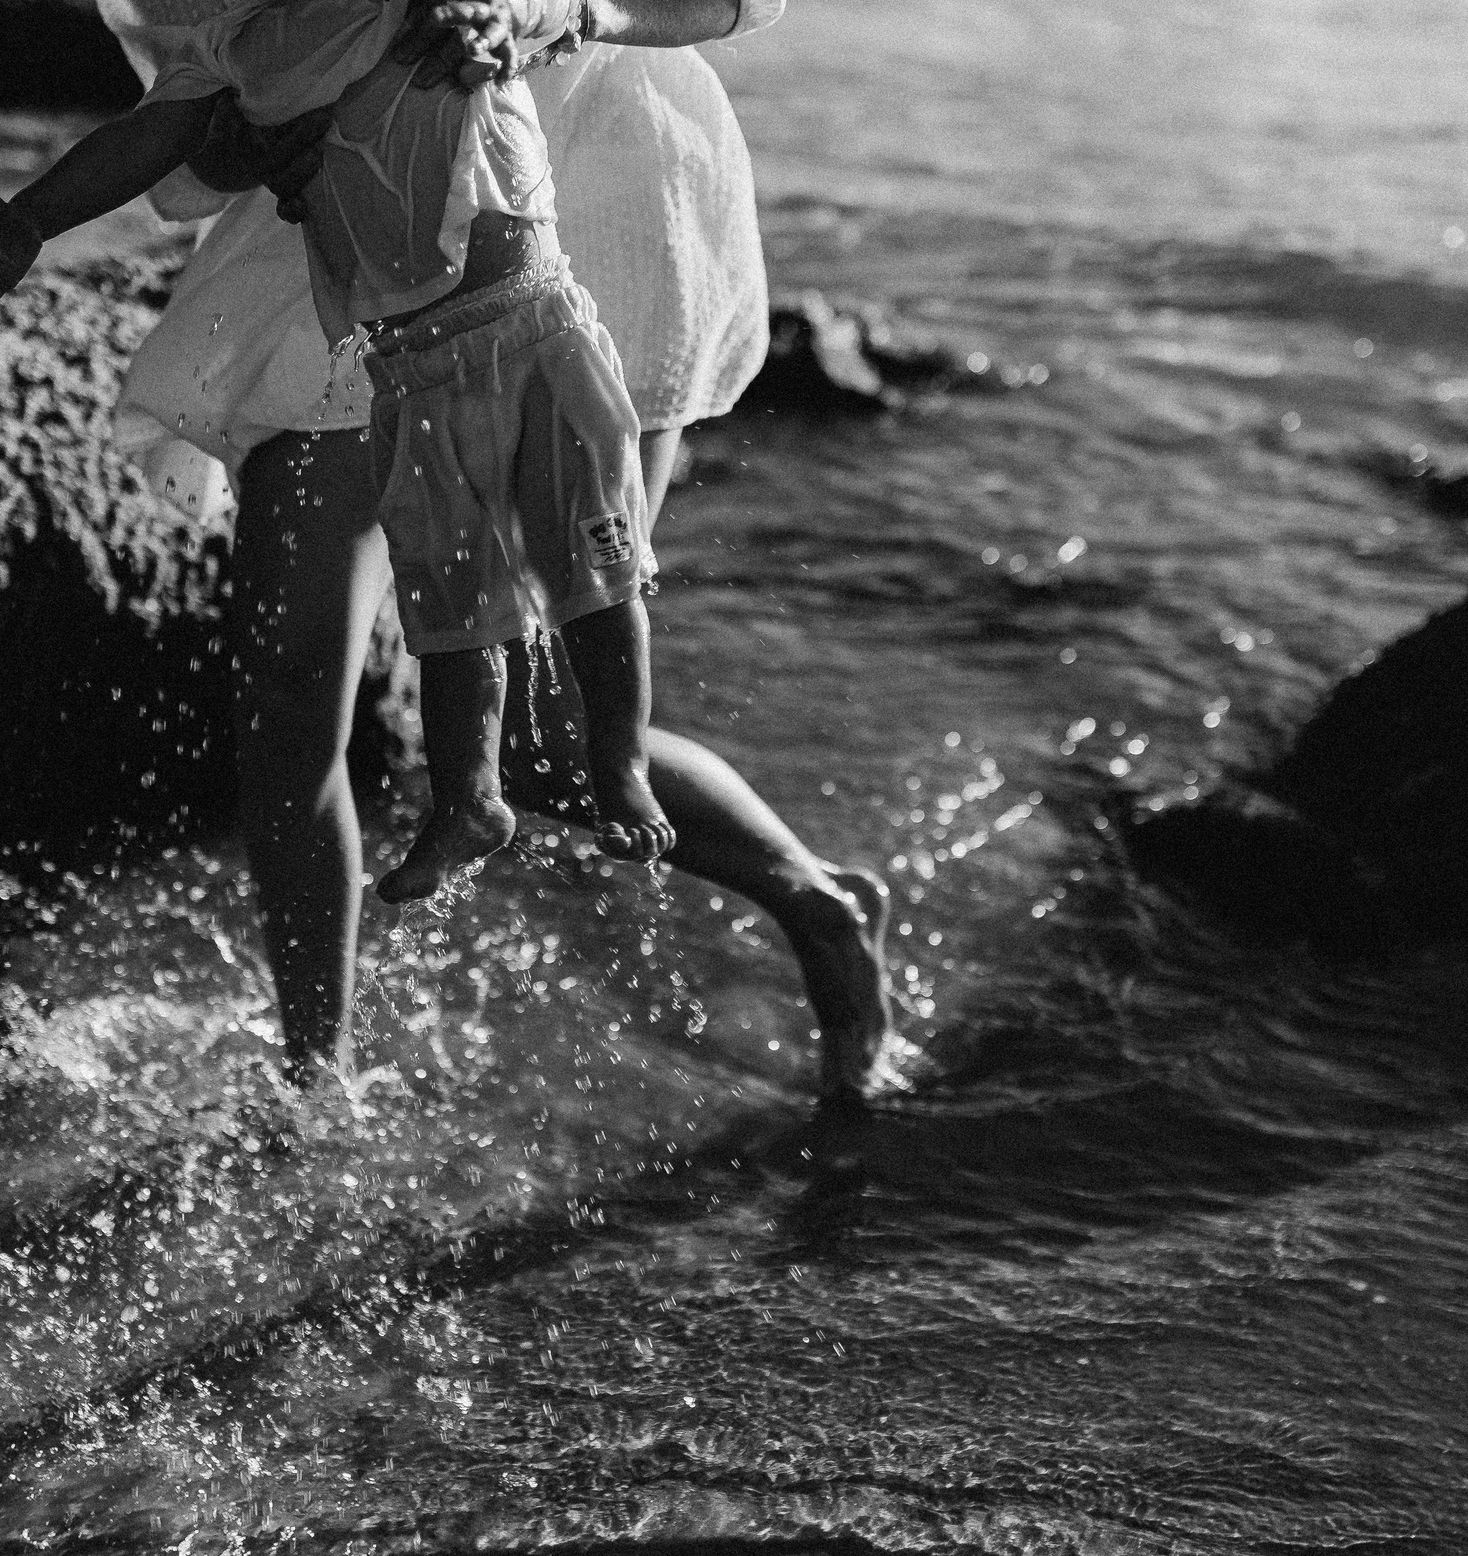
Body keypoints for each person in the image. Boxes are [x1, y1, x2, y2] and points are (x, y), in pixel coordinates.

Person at [97, 0, 899, 1101]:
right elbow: (194, 87)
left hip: (591, 211)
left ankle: (815, 901)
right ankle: (314, 1088)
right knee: (286, 702)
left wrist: (572, 8)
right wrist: (241, 142)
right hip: (345, 247)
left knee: (548, 731)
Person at [0, 2, 677, 905]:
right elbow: (144, 142)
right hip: (408, 374)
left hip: (536, 329)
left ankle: (621, 763)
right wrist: (29, 224)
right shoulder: (237, 49)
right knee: (454, 611)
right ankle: (469, 800)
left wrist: (523, 19)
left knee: (597, 567)